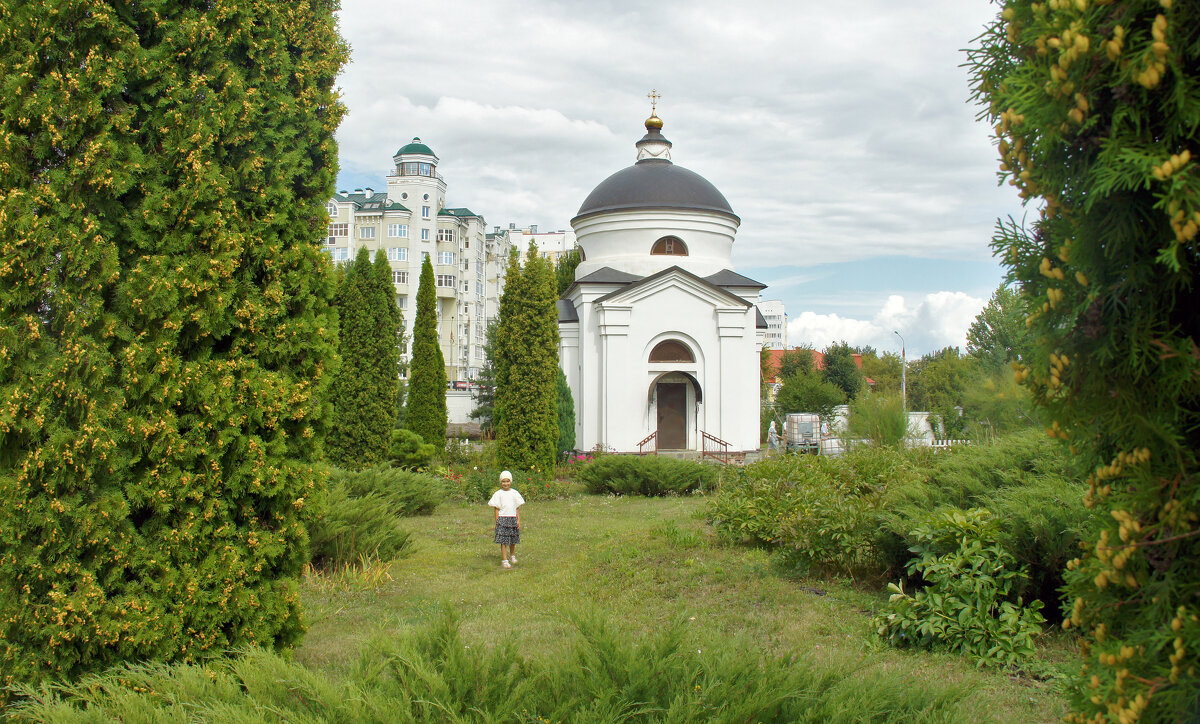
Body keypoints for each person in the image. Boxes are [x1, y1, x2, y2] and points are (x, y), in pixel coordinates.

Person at [488, 470, 525, 569]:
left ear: (511, 482)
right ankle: (504, 559)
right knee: (503, 540)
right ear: (501, 482)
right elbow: (496, 508)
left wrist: (518, 520)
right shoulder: (498, 494)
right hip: (503, 520)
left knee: (513, 539)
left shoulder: (514, 493)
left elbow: (517, 507)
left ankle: (512, 555)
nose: (506, 483)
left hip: (512, 519)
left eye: (507, 481)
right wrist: (497, 522)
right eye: (503, 481)